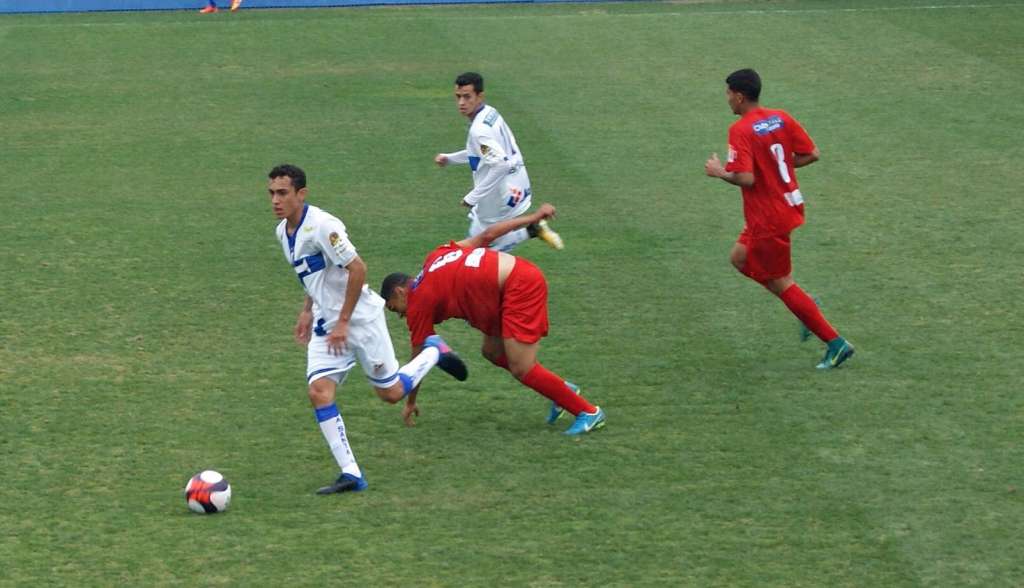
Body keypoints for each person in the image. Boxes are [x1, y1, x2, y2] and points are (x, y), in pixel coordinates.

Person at [269, 164, 467, 495]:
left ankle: (434, 350)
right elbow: (312, 275)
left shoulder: (323, 227)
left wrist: (344, 321)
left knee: (390, 394)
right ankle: (351, 474)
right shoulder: (282, 232)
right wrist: (306, 310)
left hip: (359, 321)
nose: (276, 200)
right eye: (272, 193)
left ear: (301, 194)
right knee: (319, 392)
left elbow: (358, 268)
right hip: (326, 324)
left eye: (283, 193)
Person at [380, 204, 605, 435]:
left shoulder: (418, 303)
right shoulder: (435, 257)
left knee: (522, 367)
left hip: (519, 286)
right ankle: (560, 391)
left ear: (399, 292)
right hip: (510, 282)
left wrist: (410, 402)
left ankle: (588, 412)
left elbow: (419, 359)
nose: (399, 314)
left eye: (394, 308)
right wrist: (533, 218)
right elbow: (488, 234)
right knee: (492, 351)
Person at [704, 69, 854, 369]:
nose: (727, 99)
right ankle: (805, 305)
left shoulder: (741, 130)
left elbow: (746, 178)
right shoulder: (781, 117)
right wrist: (778, 165)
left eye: (728, 93)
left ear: (739, 95)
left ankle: (835, 343)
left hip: (767, 217)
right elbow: (812, 154)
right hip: (786, 206)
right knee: (739, 259)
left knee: (782, 283)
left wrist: (719, 171)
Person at [434, 72, 564, 253]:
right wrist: (450, 159)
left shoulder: (479, 131)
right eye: (458, 97)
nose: (461, 103)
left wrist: (473, 197)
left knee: (482, 248)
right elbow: (482, 153)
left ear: (480, 96)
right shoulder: (490, 113)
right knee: (478, 240)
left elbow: (500, 164)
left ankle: (530, 230)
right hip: (516, 184)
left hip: (497, 196)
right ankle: (532, 229)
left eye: (467, 97)